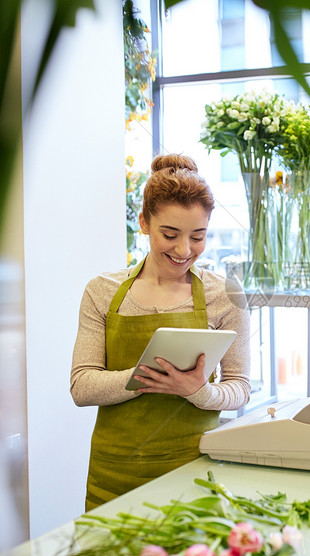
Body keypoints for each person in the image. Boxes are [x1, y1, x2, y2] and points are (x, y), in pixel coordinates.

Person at [71, 154, 250, 510]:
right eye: (170, 234)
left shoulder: (225, 295)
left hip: (195, 472)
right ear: (143, 223)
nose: (184, 250)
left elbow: (240, 388)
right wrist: (145, 378)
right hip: (114, 473)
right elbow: (81, 386)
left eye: (198, 237)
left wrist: (198, 391)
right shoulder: (102, 291)